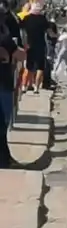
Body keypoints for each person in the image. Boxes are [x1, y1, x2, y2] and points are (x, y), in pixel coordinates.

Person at [0, 19, 23, 168]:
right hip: (3, 86)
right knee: (3, 125)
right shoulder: (5, 40)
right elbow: (21, 55)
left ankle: (5, 159)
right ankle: (4, 161)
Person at [19, 1, 48, 94]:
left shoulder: (27, 18)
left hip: (29, 45)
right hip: (41, 45)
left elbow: (21, 28)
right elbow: (47, 30)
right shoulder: (43, 19)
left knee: (29, 65)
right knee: (40, 67)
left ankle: (24, 86)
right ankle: (36, 88)